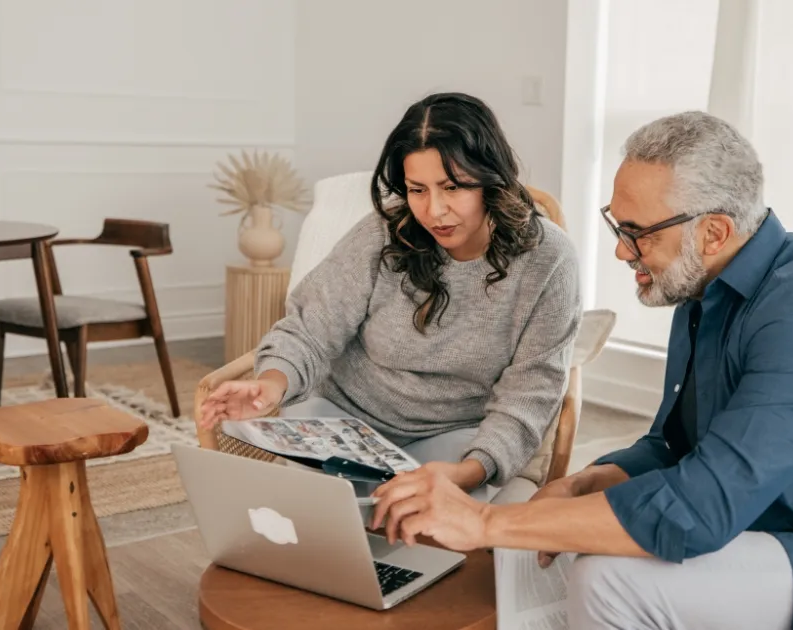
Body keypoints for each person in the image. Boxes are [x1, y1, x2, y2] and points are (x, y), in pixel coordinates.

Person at [368, 111, 793, 629]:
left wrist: (484, 522)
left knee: (608, 577)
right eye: (617, 225)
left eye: (637, 232)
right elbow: (677, 444)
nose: (621, 250)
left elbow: (702, 507)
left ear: (716, 231)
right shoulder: (705, 287)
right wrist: (594, 480)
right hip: (778, 532)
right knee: (542, 546)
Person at [198, 92, 582, 496]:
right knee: (294, 522)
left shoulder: (549, 259)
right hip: (342, 420)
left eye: (452, 187)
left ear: (490, 178)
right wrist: (271, 385)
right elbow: (310, 328)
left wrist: (468, 473)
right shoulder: (383, 233)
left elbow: (530, 393)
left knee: (423, 534)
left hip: (454, 435)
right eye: (417, 190)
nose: (434, 211)